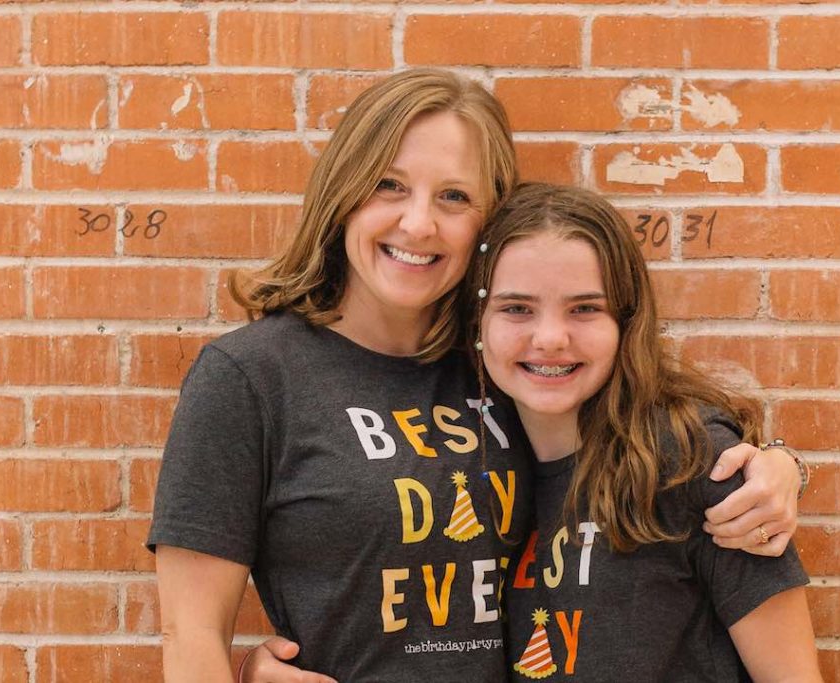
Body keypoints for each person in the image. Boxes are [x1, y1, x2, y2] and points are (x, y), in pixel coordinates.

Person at [147, 69, 805, 683]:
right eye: (389, 184)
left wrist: (779, 465)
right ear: (342, 192)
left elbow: (652, 420)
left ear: (487, 224)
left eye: (454, 196)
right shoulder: (250, 379)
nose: (418, 222)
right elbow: (191, 632)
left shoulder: (509, 362)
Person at [474, 183, 821, 681]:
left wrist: (785, 464)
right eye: (516, 308)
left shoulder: (691, 459)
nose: (550, 338)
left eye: (585, 309)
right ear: (479, 322)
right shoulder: (468, 456)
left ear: (626, 322)